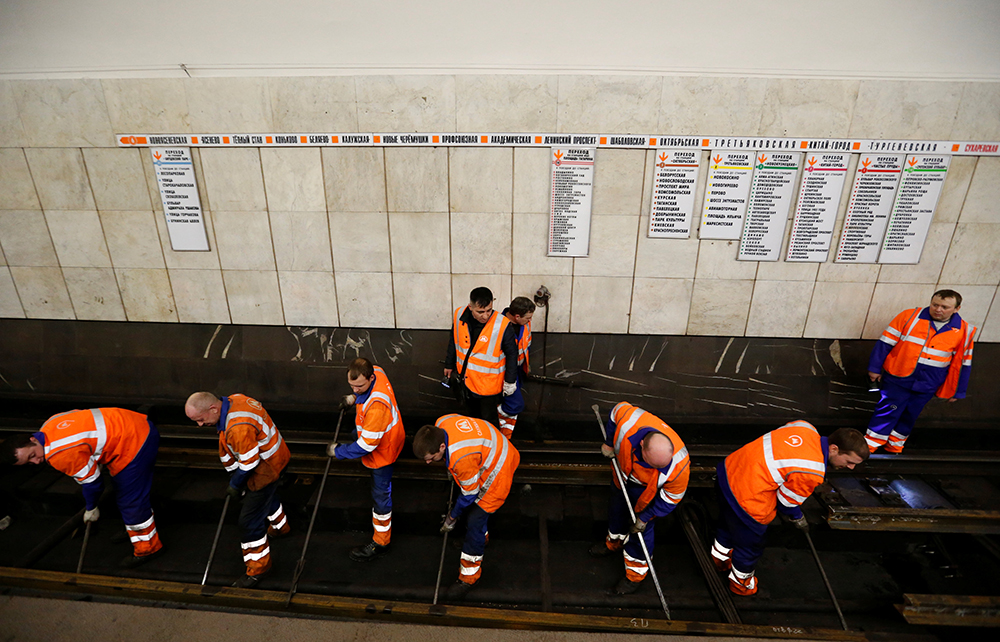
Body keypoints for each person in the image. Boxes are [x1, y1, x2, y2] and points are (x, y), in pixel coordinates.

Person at [711, 422, 867, 596]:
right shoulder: (811, 470)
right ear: (834, 449)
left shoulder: (804, 427)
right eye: (849, 461)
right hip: (745, 498)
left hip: (728, 472)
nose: (851, 467)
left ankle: (719, 559)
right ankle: (741, 585)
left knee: (727, 523)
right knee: (750, 545)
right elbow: (787, 503)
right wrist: (798, 517)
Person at [0, 408, 164, 567]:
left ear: (32, 440)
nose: (36, 461)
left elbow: (93, 484)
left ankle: (148, 548)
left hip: (135, 440)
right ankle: (133, 530)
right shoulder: (50, 424)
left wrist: (91, 508)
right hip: (133, 423)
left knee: (130, 500)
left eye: (32, 455)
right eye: (29, 462)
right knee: (124, 488)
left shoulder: (59, 454)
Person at [185, 392, 291, 588]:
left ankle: (259, 568)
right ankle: (280, 527)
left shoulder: (238, 427)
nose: (200, 425)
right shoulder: (236, 400)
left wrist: (235, 485)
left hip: (266, 468)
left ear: (213, 409)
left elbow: (250, 461)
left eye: (200, 420)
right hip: (276, 456)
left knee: (249, 521)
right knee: (267, 498)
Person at [413, 413, 520, 601]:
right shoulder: (441, 422)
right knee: (473, 511)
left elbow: (469, 494)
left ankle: (469, 577)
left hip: (499, 469)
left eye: (431, 457)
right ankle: (482, 537)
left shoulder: (460, 458)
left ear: (442, 446)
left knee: (475, 520)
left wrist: (451, 518)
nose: (428, 462)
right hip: (495, 448)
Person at [589, 402, 690, 595]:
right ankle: (614, 543)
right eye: (652, 465)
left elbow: (671, 497)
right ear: (642, 445)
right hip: (622, 477)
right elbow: (616, 411)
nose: (655, 470)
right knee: (616, 512)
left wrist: (646, 517)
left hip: (649, 494)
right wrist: (610, 443)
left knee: (641, 533)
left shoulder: (679, 466)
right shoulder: (630, 421)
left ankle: (634, 575)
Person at [866, 290, 975, 454]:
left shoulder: (964, 331)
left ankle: (895, 446)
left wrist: (958, 391)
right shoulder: (909, 317)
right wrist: (874, 368)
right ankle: (869, 446)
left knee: (911, 414)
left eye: (944, 307)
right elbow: (885, 343)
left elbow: (964, 363)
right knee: (888, 410)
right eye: (935, 304)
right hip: (898, 376)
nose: (938, 309)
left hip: (928, 382)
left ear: (956, 309)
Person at [326, 358, 405, 561]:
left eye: (359, 386)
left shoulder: (377, 406)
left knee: (381, 496)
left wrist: (339, 452)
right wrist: (353, 397)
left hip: (383, 452)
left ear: (370, 378)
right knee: (356, 433)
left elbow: (366, 446)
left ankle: (381, 542)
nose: (356, 389)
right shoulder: (377, 371)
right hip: (390, 434)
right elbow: (362, 392)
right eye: (352, 385)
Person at [443, 287, 519, 426]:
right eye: (480, 312)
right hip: (465, 381)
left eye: (489, 310)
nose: (485, 316)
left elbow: (512, 354)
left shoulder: (501, 325)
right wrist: (449, 364)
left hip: (488, 386)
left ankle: (493, 446)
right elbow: (454, 340)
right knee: (472, 420)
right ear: (470, 307)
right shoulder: (459, 314)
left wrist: (510, 381)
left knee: (489, 421)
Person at [496, 297, 535, 439]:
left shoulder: (525, 325)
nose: (529, 321)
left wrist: (526, 366)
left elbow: (526, 345)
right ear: (517, 316)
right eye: (527, 318)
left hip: (517, 370)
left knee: (513, 406)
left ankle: (503, 437)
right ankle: (493, 419)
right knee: (515, 405)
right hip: (501, 372)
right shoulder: (498, 326)